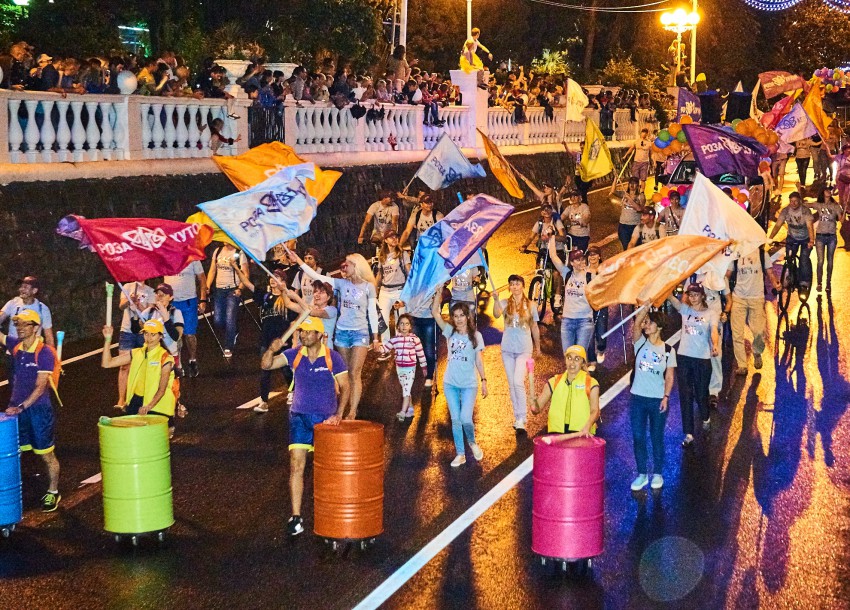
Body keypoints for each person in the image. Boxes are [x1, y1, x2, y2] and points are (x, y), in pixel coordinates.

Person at [261, 316, 350, 537]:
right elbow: (266, 365)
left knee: (327, 469)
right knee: (296, 466)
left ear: (320, 335)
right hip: (299, 418)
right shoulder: (295, 355)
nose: (304, 335)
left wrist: (339, 415)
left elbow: (345, 387)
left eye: (309, 332)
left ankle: (331, 512)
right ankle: (296, 517)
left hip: (324, 420)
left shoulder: (333, 358)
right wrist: (271, 350)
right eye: (302, 332)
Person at [290, 250, 380, 420]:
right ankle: (341, 410)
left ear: (356, 266)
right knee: (344, 373)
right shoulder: (341, 283)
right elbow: (317, 276)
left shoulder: (368, 287)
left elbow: (372, 312)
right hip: (342, 332)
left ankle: (352, 412)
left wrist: (375, 337)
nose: (344, 266)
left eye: (348, 264)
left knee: (355, 373)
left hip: (360, 333)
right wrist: (299, 261)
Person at [0, 309, 61, 512]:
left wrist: (21, 407)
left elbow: (40, 387)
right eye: (17, 324)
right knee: (13, 453)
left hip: (38, 412)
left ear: (36, 327)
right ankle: (12, 492)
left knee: (46, 455)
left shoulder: (44, 352)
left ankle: (53, 491)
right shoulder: (16, 346)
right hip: (16, 410)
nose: (20, 328)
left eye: (25, 324)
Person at [431, 291, 487, 467]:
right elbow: (435, 313)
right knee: (455, 419)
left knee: (465, 418)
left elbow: (479, 360)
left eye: (462, 315)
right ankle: (460, 454)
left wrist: (484, 380)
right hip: (450, 383)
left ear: (467, 316)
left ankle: (472, 442)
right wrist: (438, 293)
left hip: (469, 384)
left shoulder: (476, 336)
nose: (459, 319)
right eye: (455, 316)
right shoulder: (450, 332)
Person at [101, 319, 179, 436]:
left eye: (153, 334)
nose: (149, 338)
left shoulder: (165, 358)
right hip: (138, 402)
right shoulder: (136, 353)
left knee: (152, 439)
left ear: (160, 336)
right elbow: (107, 363)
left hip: (158, 405)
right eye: (146, 333)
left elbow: (162, 389)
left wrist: (148, 407)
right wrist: (108, 340)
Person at [629, 306, 676, 491]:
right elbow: (636, 325)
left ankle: (657, 473)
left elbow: (669, 376)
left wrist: (666, 397)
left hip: (657, 400)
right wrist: (646, 307)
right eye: (646, 322)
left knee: (657, 437)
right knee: (638, 436)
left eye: (650, 323)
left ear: (660, 326)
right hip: (638, 399)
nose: (646, 325)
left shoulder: (668, 350)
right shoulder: (640, 343)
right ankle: (642, 474)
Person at [666, 284, 719, 448]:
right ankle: (689, 433)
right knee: (686, 395)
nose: (693, 298)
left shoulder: (711, 313)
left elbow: (714, 331)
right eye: (690, 295)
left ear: (702, 296)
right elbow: (670, 297)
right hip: (684, 358)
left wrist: (715, 345)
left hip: (702, 360)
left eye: (696, 295)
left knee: (701, 394)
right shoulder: (685, 310)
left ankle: (705, 417)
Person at [492, 275, 541, 430]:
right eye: (512, 284)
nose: (515, 287)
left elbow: (534, 327)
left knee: (518, 382)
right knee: (512, 385)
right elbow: (496, 314)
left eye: (517, 284)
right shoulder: (505, 303)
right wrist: (495, 300)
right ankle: (518, 417)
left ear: (523, 286)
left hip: (524, 349)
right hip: (507, 349)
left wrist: (538, 348)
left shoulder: (531, 305)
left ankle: (523, 417)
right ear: (509, 287)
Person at [727, 246, 781, 374]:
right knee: (737, 333)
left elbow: (770, 272)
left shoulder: (762, 254)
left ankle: (757, 351)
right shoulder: (736, 253)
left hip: (757, 298)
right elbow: (728, 275)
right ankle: (742, 365)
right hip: (738, 298)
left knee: (759, 331)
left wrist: (775, 284)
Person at [530, 345, 600, 441]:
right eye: (569, 358)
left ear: (583, 363)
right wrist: (534, 404)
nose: (572, 362)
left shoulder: (591, 383)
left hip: (581, 434)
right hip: (557, 434)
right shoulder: (554, 382)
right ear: (565, 360)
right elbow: (536, 410)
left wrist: (587, 427)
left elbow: (595, 411)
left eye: (577, 359)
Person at [548, 240, 595, 359]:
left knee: (579, 357)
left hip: (584, 321)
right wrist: (552, 237)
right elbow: (553, 256)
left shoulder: (590, 276)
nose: (581, 262)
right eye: (578, 260)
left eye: (583, 259)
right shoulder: (567, 274)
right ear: (572, 263)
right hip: (567, 321)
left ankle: (585, 371)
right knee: (568, 357)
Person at [114, 281, 155, 410]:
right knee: (124, 366)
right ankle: (121, 399)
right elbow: (121, 306)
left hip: (143, 332)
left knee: (143, 365)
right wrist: (129, 300)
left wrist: (139, 305)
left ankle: (140, 398)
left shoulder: (150, 291)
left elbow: (150, 314)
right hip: (127, 331)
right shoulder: (127, 287)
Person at [206, 243, 250, 358]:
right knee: (218, 320)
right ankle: (234, 330)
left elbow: (245, 273)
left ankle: (228, 346)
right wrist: (207, 285)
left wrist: (240, 288)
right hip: (219, 289)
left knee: (230, 318)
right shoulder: (218, 251)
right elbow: (212, 270)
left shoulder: (239, 253)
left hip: (233, 289)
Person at [163, 262, 206, 377]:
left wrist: (203, 299)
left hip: (188, 302)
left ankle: (192, 360)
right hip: (172, 303)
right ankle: (177, 364)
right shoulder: (166, 257)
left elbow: (202, 278)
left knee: (189, 334)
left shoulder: (192, 257)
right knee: (175, 335)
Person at [383, 314, 428, 420]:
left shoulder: (414, 339)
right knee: (405, 388)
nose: (404, 326)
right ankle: (410, 408)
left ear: (410, 326)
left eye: (407, 324)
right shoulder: (395, 339)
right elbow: (386, 348)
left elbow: (420, 353)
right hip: (399, 368)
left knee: (406, 389)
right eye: (402, 324)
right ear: (398, 326)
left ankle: (403, 412)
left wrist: (424, 366)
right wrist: (378, 348)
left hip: (410, 368)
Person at [768, 191, 815, 289]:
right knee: (789, 258)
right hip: (792, 237)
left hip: (805, 239)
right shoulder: (785, 211)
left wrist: (811, 240)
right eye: (791, 201)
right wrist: (770, 238)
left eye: (795, 201)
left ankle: (804, 281)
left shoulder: (805, 211)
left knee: (804, 259)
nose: (793, 203)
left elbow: (810, 227)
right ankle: (791, 275)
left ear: (800, 201)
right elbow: (778, 225)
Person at [376, 230, 411, 344]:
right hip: (385, 292)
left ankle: (401, 345)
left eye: (396, 236)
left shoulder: (402, 254)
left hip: (399, 290)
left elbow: (409, 273)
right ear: (385, 240)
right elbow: (380, 275)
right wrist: (374, 291)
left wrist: (409, 291)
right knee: (383, 320)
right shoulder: (382, 256)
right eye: (391, 237)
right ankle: (386, 345)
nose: (394, 239)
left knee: (400, 320)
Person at [0, 276, 55, 347]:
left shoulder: (42, 309)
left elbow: (49, 336)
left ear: (34, 290)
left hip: (32, 351)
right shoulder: (13, 303)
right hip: (13, 350)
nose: (21, 289)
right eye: (21, 287)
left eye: (25, 287)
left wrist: (51, 352)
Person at [807, 186, 844, 292]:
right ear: (823, 192)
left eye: (830, 190)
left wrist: (844, 211)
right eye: (827, 190)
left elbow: (841, 220)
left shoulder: (836, 206)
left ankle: (828, 283)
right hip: (820, 236)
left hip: (832, 236)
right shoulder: (819, 205)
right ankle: (819, 283)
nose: (829, 191)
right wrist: (799, 192)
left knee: (830, 261)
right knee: (820, 261)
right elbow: (806, 205)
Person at [617, 177, 646, 250]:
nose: (632, 185)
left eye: (634, 183)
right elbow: (612, 191)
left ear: (638, 185)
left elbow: (639, 209)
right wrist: (615, 178)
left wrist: (629, 198)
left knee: (637, 248)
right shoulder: (624, 194)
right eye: (630, 183)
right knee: (626, 248)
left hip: (635, 226)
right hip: (623, 225)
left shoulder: (641, 196)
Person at [627, 128, 652, 193]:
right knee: (635, 178)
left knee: (643, 179)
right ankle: (636, 191)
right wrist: (625, 155)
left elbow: (651, 153)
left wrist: (653, 161)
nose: (644, 134)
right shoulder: (636, 141)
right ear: (641, 133)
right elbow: (631, 148)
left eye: (645, 133)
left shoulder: (649, 143)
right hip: (636, 162)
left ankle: (642, 192)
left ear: (647, 134)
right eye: (643, 132)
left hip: (645, 162)